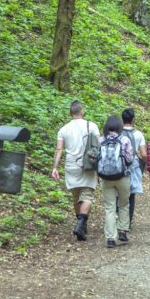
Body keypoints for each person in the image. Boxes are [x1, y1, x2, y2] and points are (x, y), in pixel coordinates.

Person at [52, 101, 100, 241]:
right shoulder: (92, 126)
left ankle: (82, 225)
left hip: (71, 166)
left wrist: (55, 167)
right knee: (87, 195)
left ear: (70, 113)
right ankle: (80, 223)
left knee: (76, 198)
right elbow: (98, 146)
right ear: (82, 111)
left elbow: (59, 149)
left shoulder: (63, 129)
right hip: (88, 164)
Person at [98, 114, 135, 249]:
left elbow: (97, 157)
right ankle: (123, 231)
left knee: (109, 208)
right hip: (122, 176)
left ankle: (110, 238)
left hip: (106, 177)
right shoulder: (124, 139)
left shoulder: (101, 140)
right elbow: (130, 159)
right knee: (124, 204)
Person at [121, 108, 147, 231]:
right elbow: (143, 154)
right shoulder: (138, 134)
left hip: (119, 166)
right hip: (133, 165)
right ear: (133, 120)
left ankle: (120, 217)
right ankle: (128, 221)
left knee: (119, 193)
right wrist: (145, 165)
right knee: (131, 194)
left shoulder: (117, 133)